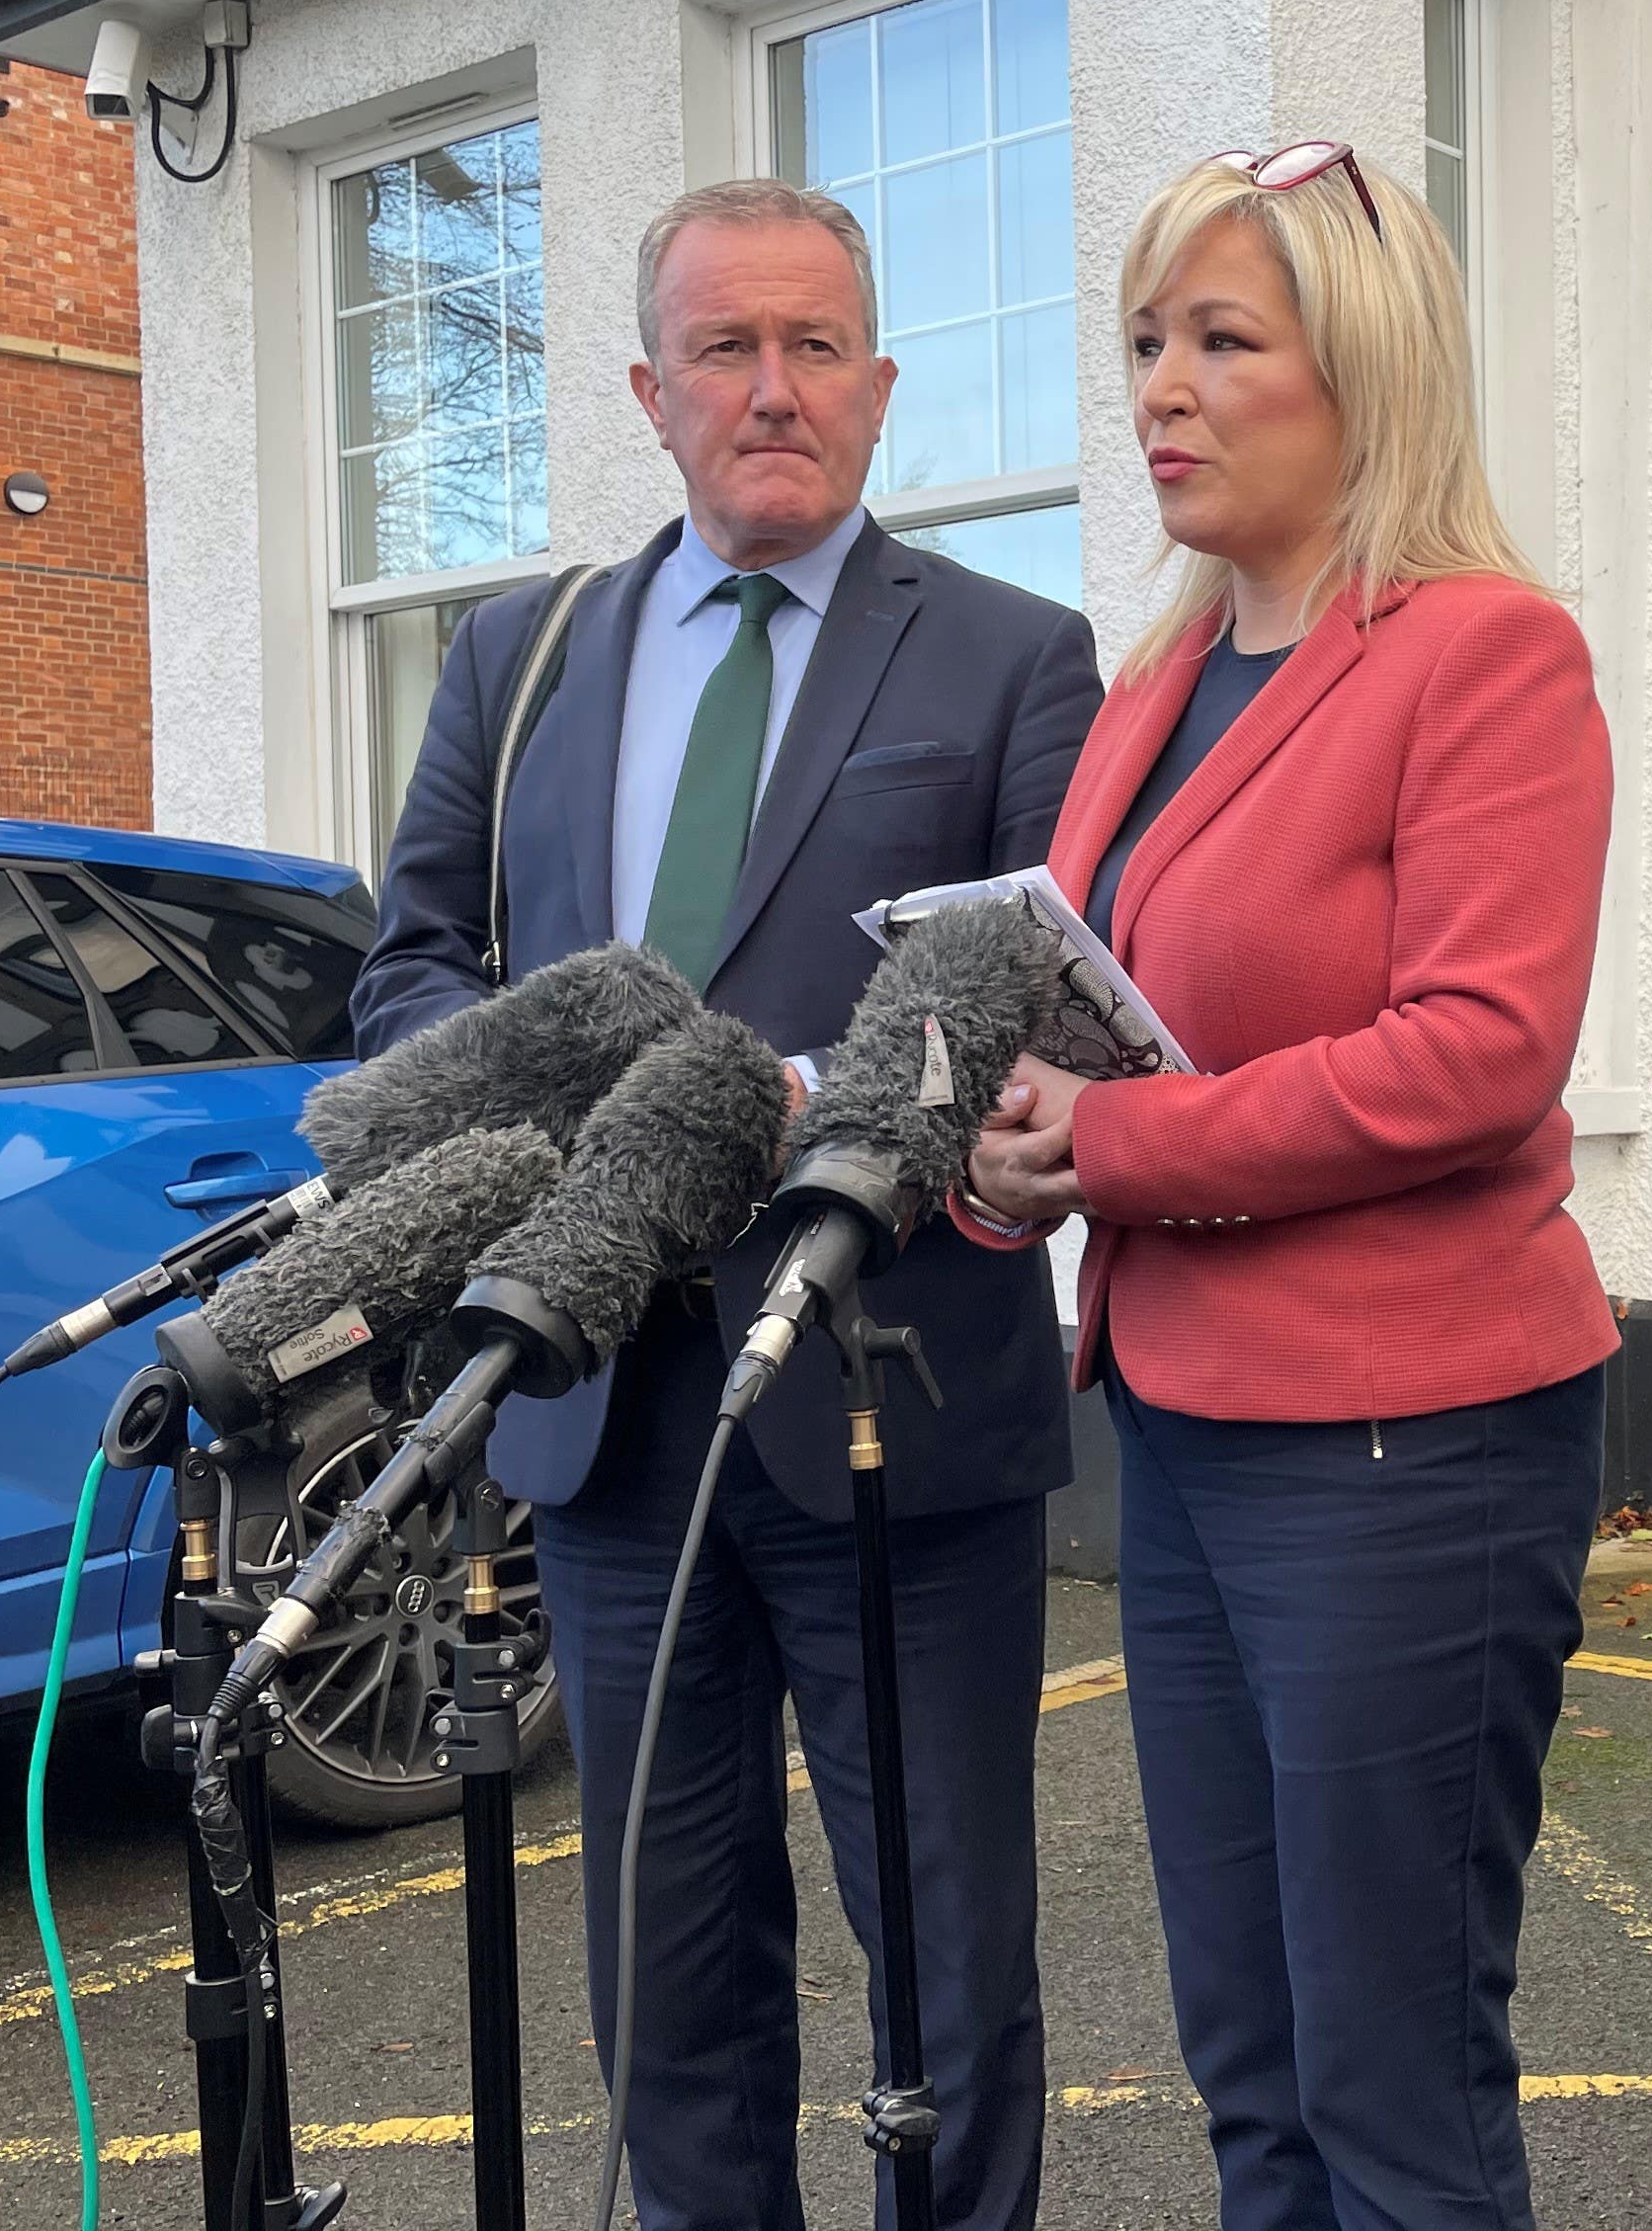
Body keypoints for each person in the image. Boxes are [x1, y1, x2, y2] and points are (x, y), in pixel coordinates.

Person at [356, 178, 1103, 2231]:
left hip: (894, 1404)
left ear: (877, 385)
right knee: (666, 1982)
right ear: (645, 388)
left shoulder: (1017, 658)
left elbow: (1050, 995)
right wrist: (589, 1099)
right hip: (607, 1411)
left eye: (814, 349)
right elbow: (415, 967)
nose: (772, 392)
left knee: (944, 1974)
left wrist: (810, 1111)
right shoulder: (521, 657)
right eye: (723, 351)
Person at [961, 143, 1614, 2231]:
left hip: (1411, 1444)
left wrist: (1125, 1144)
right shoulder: (1145, 691)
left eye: (1222, 339)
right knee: (1253, 2071)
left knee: (1393, 2086)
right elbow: (1098, 1019)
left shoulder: (1486, 652)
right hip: (1189, 1416)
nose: (1161, 384)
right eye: (1146, 339)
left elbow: (1481, 1051)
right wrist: (1010, 1161)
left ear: (1366, 374)